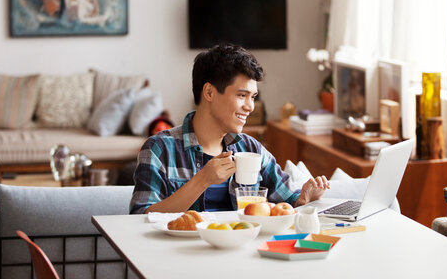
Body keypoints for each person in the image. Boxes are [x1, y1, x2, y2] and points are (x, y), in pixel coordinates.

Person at [130, 43, 330, 214]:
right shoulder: (159, 149)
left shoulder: (250, 149)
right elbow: (141, 218)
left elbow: (289, 198)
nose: (250, 107)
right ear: (209, 92)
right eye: (242, 95)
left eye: (253, 97)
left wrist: (304, 197)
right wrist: (203, 180)